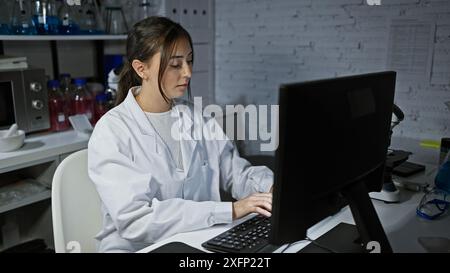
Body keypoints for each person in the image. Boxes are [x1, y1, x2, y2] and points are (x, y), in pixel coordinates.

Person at [88, 16, 273, 253]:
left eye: (190, 61)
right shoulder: (112, 131)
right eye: (175, 64)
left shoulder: (197, 118)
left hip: (199, 241)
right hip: (137, 248)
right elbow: (136, 220)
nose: (187, 72)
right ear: (140, 68)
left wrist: (270, 188)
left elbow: (236, 173)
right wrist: (232, 210)